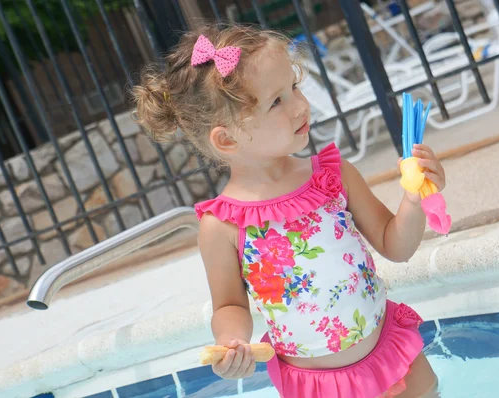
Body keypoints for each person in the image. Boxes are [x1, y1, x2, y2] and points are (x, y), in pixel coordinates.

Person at [132, 23, 444, 398]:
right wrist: (231, 341)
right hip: (320, 386)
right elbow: (230, 303)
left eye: (294, 87)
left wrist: (414, 199)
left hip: (391, 352)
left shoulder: (332, 175)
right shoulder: (222, 226)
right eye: (276, 101)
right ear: (228, 138)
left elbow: (396, 246)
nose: (299, 105)